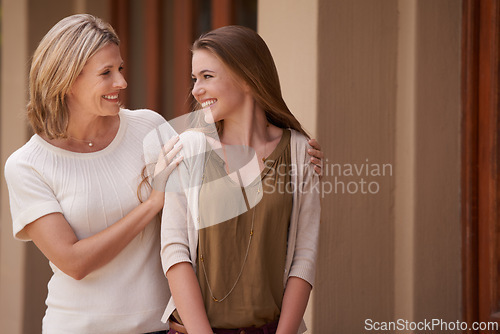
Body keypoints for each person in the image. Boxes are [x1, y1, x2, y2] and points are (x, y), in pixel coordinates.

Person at [4, 14, 323, 334]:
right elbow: (73, 262)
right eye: (106, 73)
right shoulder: (28, 165)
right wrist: (153, 204)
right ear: (67, 80)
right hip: (79, 327)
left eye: (121, 69)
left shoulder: (150, 127)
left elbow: (217, 196)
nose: (122, 82)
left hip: (160, 326)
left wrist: (294, 158)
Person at [160, 26, 321, 334]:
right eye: (194, 79)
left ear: (248, 77)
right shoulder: (189, 148)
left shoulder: (301, 151)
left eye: (207, 77)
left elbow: (305, 255)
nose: (195, 90)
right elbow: (174, 249)